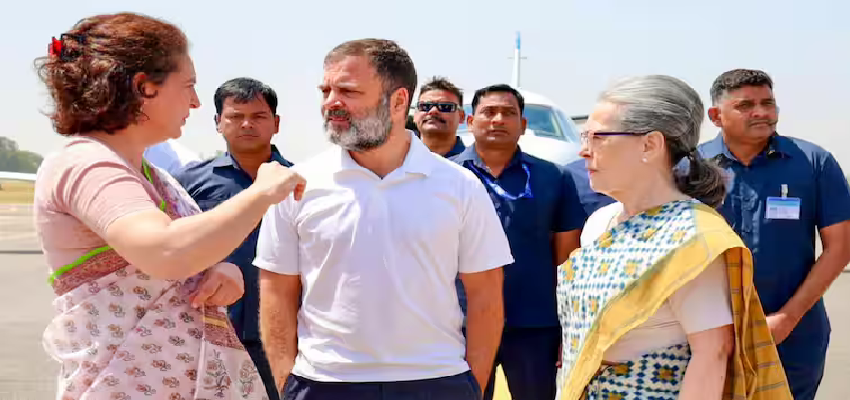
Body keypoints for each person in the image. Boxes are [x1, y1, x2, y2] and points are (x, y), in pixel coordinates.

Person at [33, 13, 305, 400]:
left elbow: (175, 254)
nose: (195, 102)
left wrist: (220, 271)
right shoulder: (85, 164)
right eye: (188, 85)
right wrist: (261, 193)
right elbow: (165, 251)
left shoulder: (153, 176)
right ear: (144, 88)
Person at [254, 38, 513, 400]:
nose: (331, 102)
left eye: (348, 91)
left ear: (398, 101)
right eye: (326, 91)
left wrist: (472, 387)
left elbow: (486, 294)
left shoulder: (460, 186)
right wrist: (288, 385)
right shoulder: (297, 185)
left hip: (437, 382)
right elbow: (276, 291)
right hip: (323, 383)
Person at [556, 75, 792, 400]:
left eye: (598, 137)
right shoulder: (599, 223)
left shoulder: (692, 235)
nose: (584, 151)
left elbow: (712, 352)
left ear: (650, 145)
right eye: (585, 137)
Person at [699, 68, 850, 400]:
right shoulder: (691, 169)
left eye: (768, 103)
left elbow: (840, 248)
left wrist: (786, 318)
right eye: (746, 105)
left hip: (793, 334)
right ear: (716, 116)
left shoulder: (813, 162)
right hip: (707, 334)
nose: (761, 112)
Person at [452, 84, 583, 400]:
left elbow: (568, 258)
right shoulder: (446, 177)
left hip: (534, 324)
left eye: (508, 113)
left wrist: (570, 326)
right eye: (489, 112)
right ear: (470, 122)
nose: (498, 119)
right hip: (460, 321)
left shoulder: (554, 177)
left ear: (523, 125)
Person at [174, 77, 292, 400]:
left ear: (276, 123)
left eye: (258, 116)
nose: (247, 124)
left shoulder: (300, 181)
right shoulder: (188, 183)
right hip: (209, 330)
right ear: (217, 122)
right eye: (236, 116)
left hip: (285, 336)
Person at [413, 76, 467, 158]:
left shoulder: (477, 164)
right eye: (425, 106)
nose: (433, 111)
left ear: (461, 116)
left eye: (445, 106)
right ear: (415, 115)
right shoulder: (396, 161)